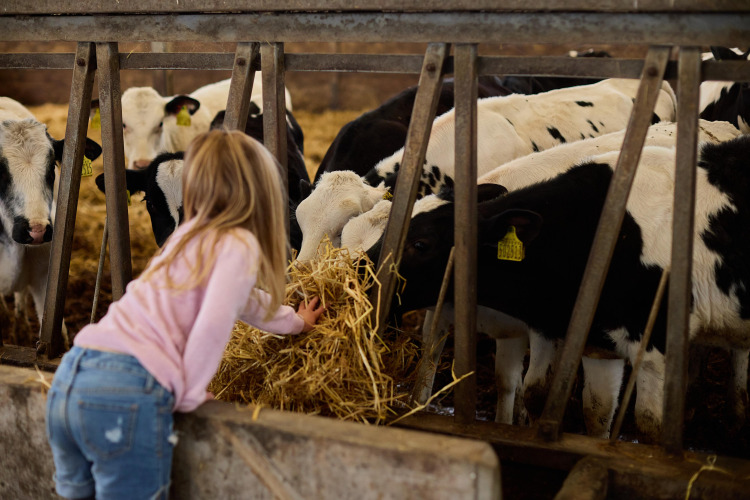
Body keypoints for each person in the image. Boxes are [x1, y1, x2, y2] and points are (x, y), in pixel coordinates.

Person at [45, 129, 326, 500]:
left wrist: (294, 322)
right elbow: (214, 321)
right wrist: (190, 391)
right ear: (261, 193)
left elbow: (244, 301)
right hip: (127, 391)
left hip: (71, 377)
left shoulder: (185, 236)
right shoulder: (238, 243)